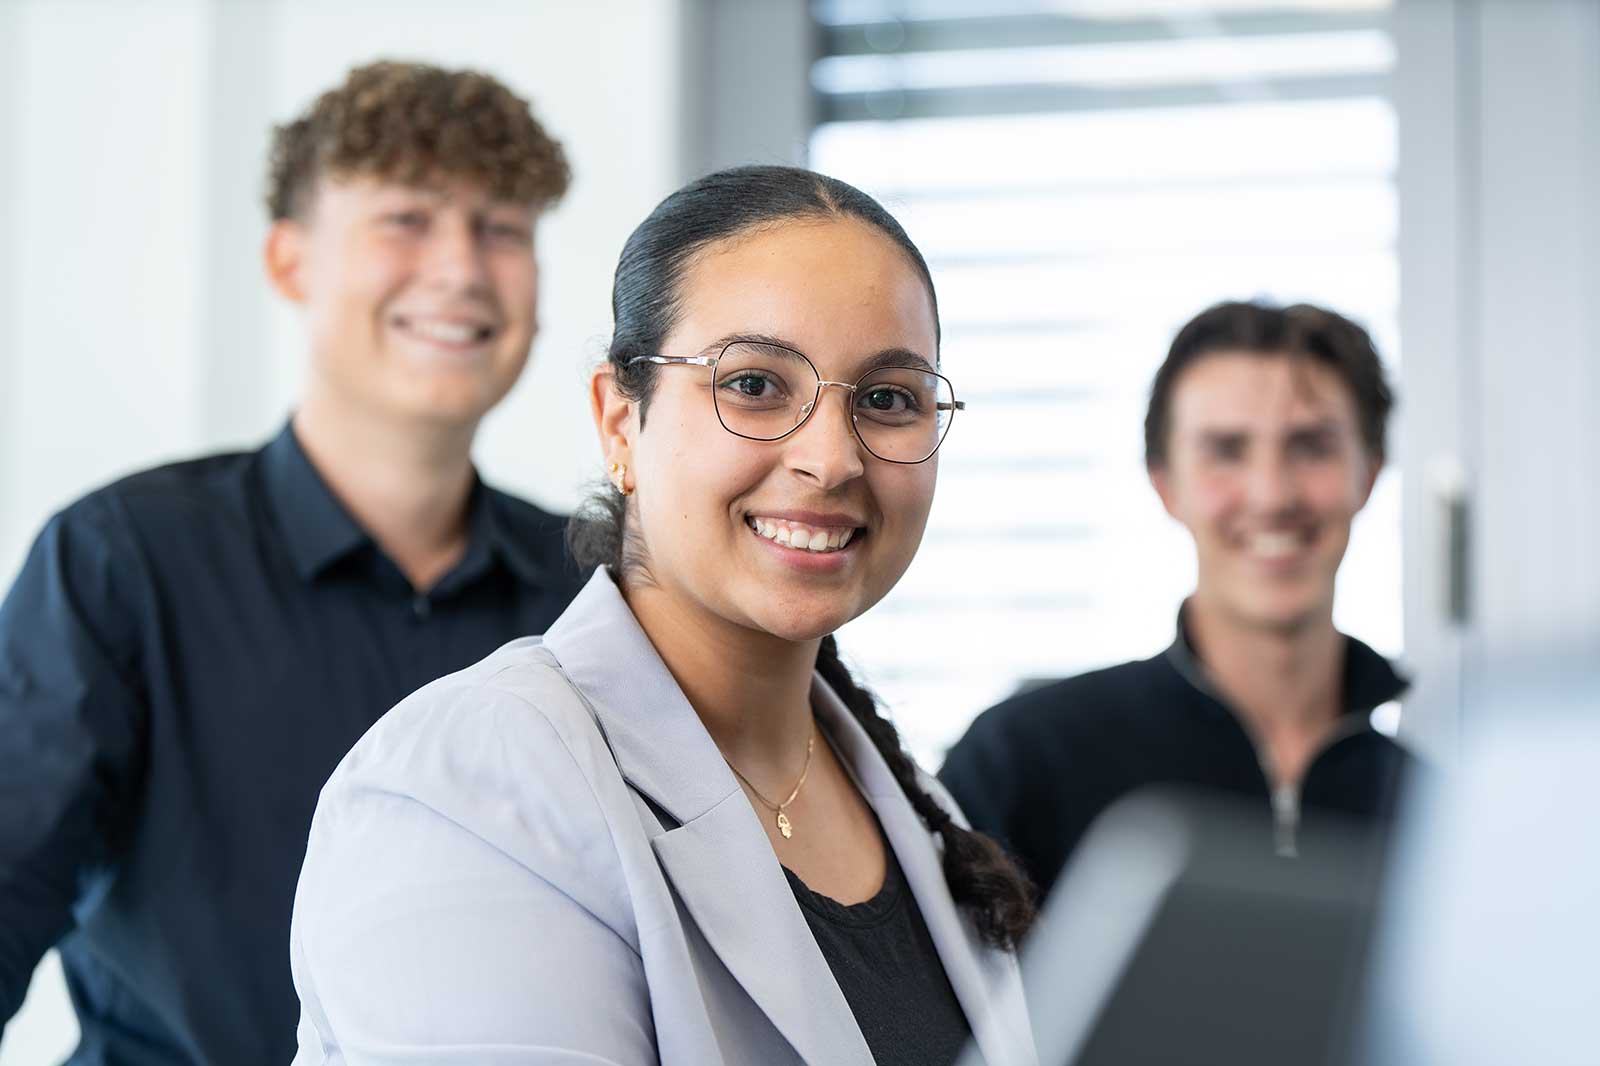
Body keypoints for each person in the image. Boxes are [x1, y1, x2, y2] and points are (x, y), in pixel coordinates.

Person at [286, 165, 1038, 1066]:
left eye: (887, 399)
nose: (832, 459)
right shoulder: (471, 786)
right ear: (619, 421)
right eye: (755, 384)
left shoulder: (913, 808)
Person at [0, 61, 582, 1064]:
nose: (462, 269)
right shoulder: (121, 562)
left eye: (501, 228)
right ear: (289, 263)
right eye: (406, 218)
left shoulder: (594, 593)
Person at [940, 300, 1413, 901]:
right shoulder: (1022, 762)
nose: (1272, 495)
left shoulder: (1443, 815)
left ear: (1368, 473)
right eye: (1226, 450)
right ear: (1165, 484)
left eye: (1311, 447)